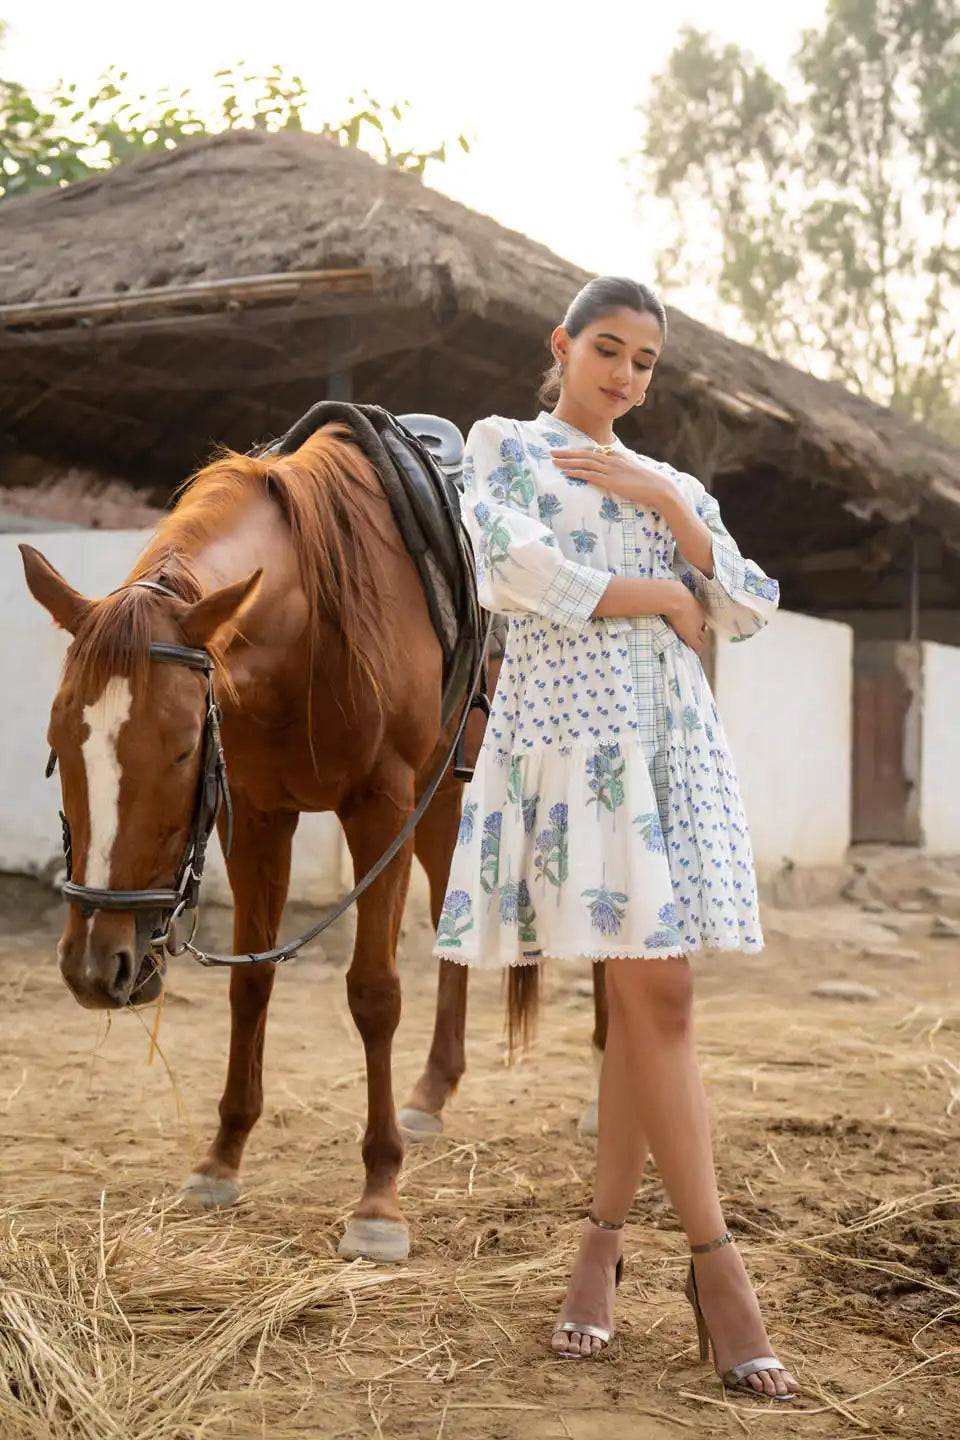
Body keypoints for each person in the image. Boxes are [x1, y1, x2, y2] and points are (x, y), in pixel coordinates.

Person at [434, 277, 798, 1400]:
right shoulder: (505, 448)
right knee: (656, 997)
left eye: (645, 361)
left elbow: (742, 604)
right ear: (563, 345)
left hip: (668, 749)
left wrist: (672, 508)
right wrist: (661, 593)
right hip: (571, 742)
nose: (626, 375)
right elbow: (515, 572)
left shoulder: (670, 479)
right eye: (609, 349)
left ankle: (602, 1245)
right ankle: (717, 1270)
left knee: (652, 1002)